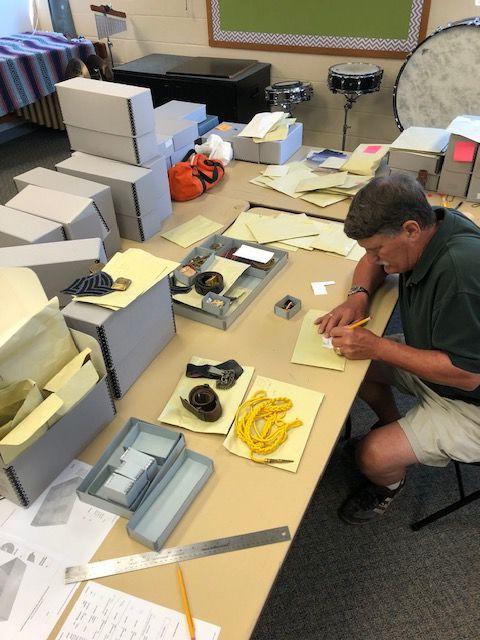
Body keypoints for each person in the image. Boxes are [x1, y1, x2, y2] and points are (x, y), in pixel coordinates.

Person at [315, 173, 480, 524]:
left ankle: (388, 483)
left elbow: (466, 376)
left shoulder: (459, 272)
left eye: (378, 250)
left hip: (470, 401)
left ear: (409, 230)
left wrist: (375, 346)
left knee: (371, 456)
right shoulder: (433, 223)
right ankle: (395, 424)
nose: (374, 259)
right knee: (350, 366)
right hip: (437, 362)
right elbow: (370, 265)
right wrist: (358, 296)